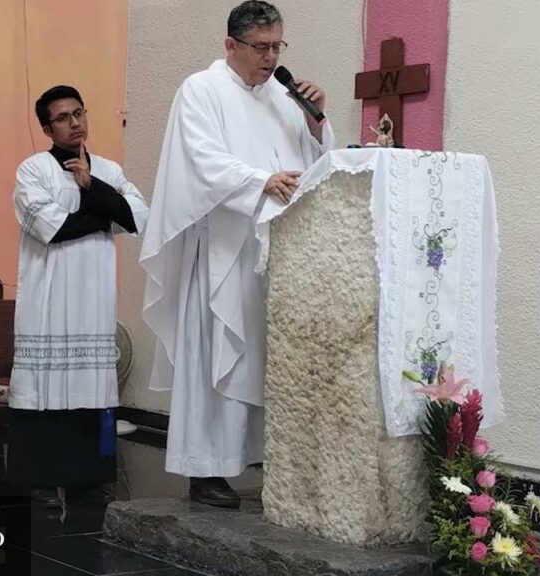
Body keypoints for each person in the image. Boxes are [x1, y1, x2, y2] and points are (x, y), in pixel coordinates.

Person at [139, 1, 335, 507]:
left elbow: (313, 166)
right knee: (219, 353)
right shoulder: (201, 90)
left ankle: (260, 459)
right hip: (223, 250)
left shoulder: (284, 97)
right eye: (261, 47)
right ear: (231, 45)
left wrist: (316, 129)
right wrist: (258, 181)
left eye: (277, 46)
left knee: (267, 358)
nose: (270, 58)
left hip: (277, 252)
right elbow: (201, 161)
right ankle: (206, 470)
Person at [8, 85, 150, 508]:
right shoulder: (33, 171)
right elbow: (54, 228)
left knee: (92, 387)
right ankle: (40, 481)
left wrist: (94, 187)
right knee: (43, 389)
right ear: (47, 127)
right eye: (63, 118)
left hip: (92, 299)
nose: (74, 123)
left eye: (78, 113)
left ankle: (89, 480)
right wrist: (104, 206)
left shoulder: (107, 168)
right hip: (49, 299)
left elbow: (138, 217)